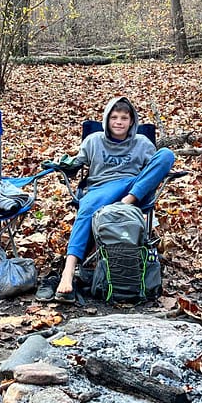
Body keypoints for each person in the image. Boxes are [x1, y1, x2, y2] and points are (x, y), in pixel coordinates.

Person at [53, 97, 176, 301]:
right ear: (107, 119)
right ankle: (68, 272)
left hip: (134, 190)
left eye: (124, 118)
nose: (119, 122)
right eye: (114, 117)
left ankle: (125, 202)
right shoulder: (93, 140)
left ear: (132, 121)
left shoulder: (142, 143)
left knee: (166, 154)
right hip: (100, 189)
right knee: (86, 210)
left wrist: (132, 195)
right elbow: (77, 163)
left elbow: (157, 166)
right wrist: (64, 164)